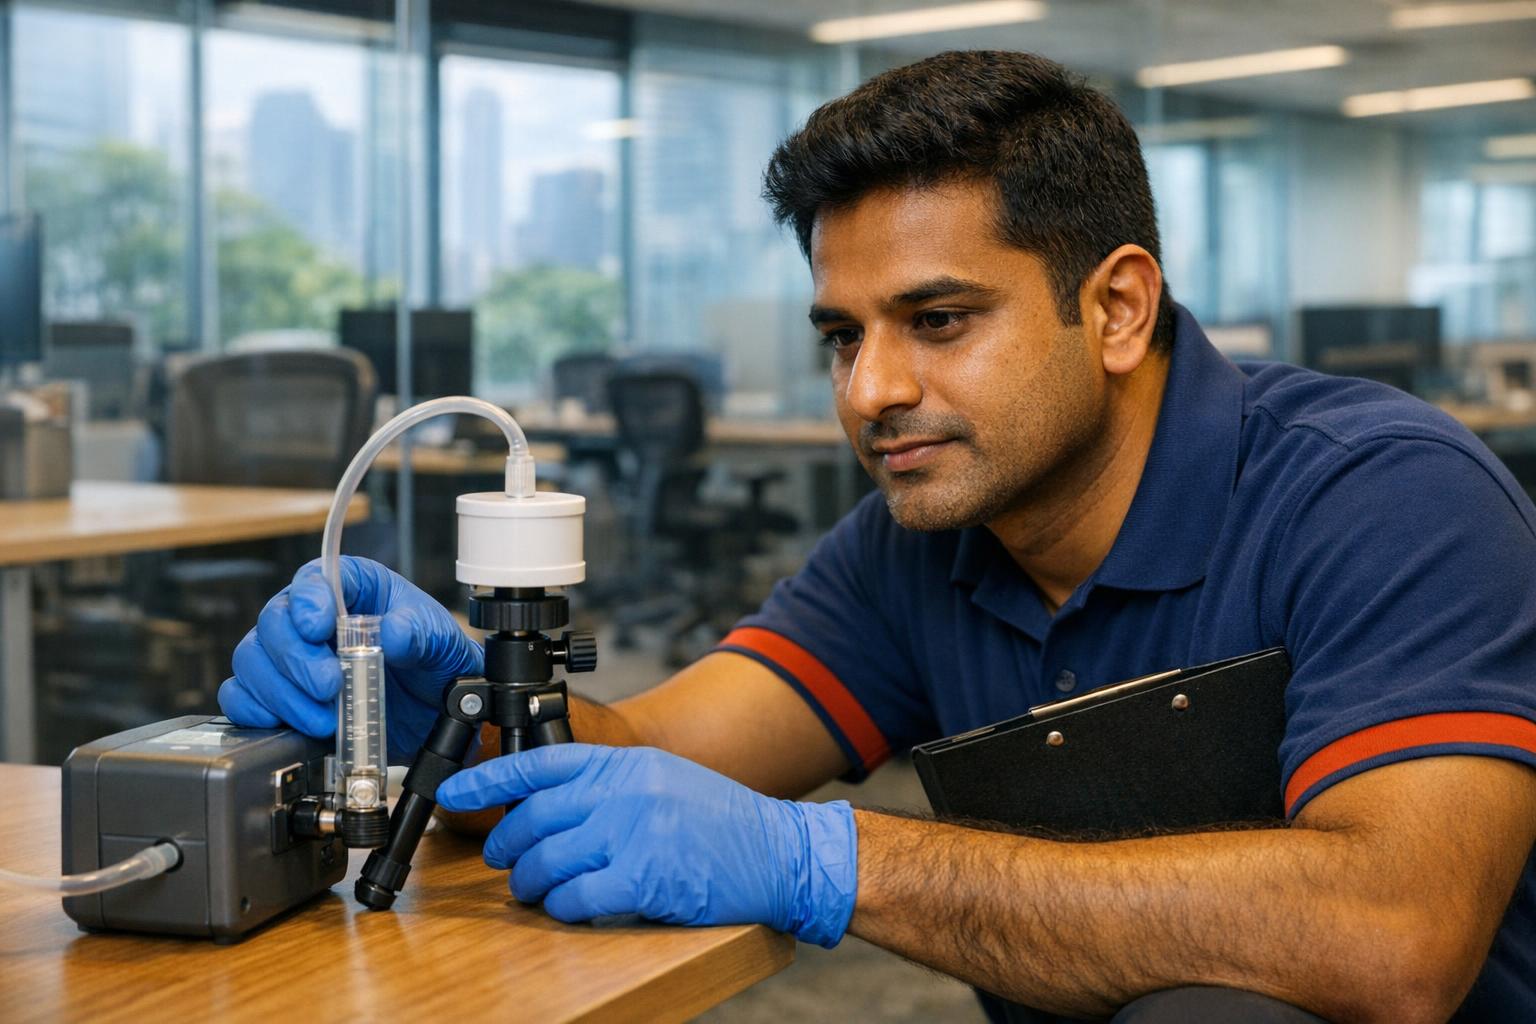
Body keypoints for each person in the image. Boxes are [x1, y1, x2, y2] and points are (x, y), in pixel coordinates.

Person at [220, 51, 1536, 1024]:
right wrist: (465, 704)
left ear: (1118, 309)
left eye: (939, 321)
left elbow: (1393, 940)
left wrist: (830, 858)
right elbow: (659, 757)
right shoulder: (916, 544)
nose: (870, 391)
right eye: (843, 336)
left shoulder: (1384, 498)